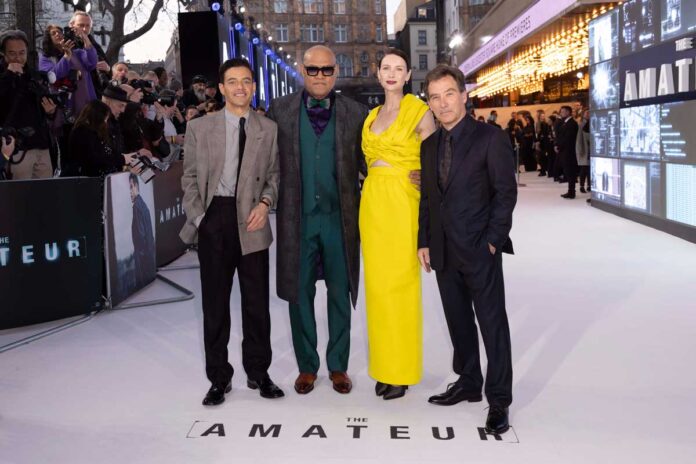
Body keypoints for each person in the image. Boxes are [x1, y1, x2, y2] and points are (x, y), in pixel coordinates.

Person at [417, 64, 517, 435]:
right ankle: (469, 381)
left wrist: (492, 239)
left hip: (479, 249)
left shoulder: (490, 138)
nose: (442, 103)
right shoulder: (428, 146)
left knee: (492, 325)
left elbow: (505, 194)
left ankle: (499, 399)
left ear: (463, 95)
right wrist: (424, 239)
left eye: (449, 94)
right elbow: (429, 198)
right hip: (443, 250)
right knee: (458, 321)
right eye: (435, 97)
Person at [266, 45, 368, 395]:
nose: (320, 76)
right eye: (313, 70)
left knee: (340, 293)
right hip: (298, 220)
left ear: (336, 72)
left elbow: (372, 162)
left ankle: (338, 365)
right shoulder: (279, 110)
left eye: (327, 70)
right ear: (302, 70)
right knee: (299, 295)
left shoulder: (356, 113)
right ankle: (307, 366)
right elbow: (266, 162)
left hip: (341, 221)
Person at [180, 58, 283, 406]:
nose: (241, 87)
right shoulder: (200, 127)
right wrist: (200, 219)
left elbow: (274, 176)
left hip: (252, 218)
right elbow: (189, 178)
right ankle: (218, 378)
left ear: (253, 86)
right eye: (233, 81)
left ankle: (259, 372)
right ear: (222, 89)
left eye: (247, 81)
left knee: (257, 304)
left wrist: (265, 204)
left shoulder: (268, 128)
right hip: (215, 219)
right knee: (215, 306)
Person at [360, 48, 436, 400]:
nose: (392, 73)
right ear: (378, 74)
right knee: (377, 290)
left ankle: (401, 371)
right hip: (373, 203)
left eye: (399, 68)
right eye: (386, 68)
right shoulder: (371, 116)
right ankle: (384, 367)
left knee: (401, 288)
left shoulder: (420, 111)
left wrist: (428, 179)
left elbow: (437, 158)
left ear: (408, 75)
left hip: (403, 203)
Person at [0, 30, 56, 180]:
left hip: (41, 144)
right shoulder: (3, 76)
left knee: (45, 191)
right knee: (20, 192)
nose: (18, 58)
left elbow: (41, 106)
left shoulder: (32, 76)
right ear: (4, 54)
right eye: (12, 53)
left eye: (22, 53)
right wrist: (8, 76)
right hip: (16, 147)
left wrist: (50, 112)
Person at [68, 99, 136, 177]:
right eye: (105, 119)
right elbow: (95, 158)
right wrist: (122, 159)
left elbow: (106, 151)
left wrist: (123, 157)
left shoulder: (94, 131)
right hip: (88, 178)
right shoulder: (82, 132)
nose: (105, 123)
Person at [129, 174, 156, 288]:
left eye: (131, 187)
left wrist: (139, 257)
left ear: (136, 186)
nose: (129, 192)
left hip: (142, 260)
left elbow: (141, 236)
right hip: (149, 257)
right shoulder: (143, 204)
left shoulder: (137, 207)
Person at [555, 105, 579, 198]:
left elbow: (568, 138)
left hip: (569, 151)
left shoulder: (572, 123)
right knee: (567, 171)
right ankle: (570, 191)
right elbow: (560, 135)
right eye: (561, 111)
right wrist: (557, 145)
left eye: (563, 111)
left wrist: (559, 146)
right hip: (564, 150)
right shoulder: (565, 122)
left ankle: (571, 192)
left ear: (568, 112)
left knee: (570, 171)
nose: (561, 113)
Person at [576, 109, 590, 193]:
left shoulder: (593, 122)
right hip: (584, 149)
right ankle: (581, 186)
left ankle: (589, 185)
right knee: (584, 169)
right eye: (587, 113)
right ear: (583, 114)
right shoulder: (581, 124)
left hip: (591, 149)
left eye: (589, 113)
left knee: (590, 169)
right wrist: (580, 149)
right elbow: (579, 139)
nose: (588, 114)